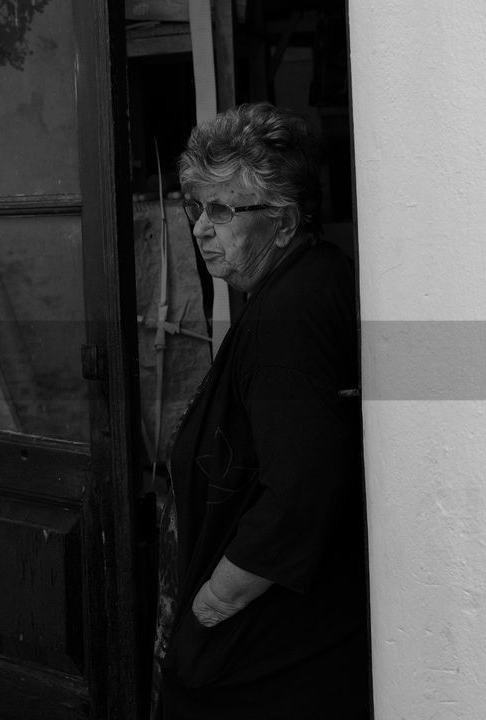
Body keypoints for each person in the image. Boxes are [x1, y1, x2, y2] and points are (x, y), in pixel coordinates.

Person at [153, 103, 370, 719]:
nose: (199, 229)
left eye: (222, 210)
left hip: (266, 652)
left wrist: (212, 604)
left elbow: (302, 487)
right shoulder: (309, 279)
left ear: (283, 222)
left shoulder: (288, 316)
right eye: (196, 207)